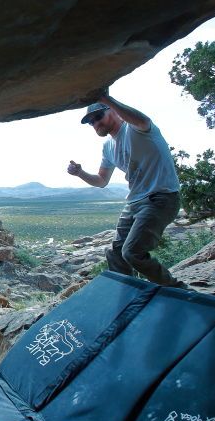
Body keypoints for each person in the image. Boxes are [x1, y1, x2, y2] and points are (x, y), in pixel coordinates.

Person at [67, 93, 184, 287]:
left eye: (98, 116)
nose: (95, 123)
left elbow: (143, 120)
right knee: (115, 254)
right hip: (134, 202)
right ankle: (129, 295)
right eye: (91, 122)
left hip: (161, 198)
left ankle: (178, 291)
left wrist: (105, 99)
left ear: (112, 111)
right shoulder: (108, 147)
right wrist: (80, 173)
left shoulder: (137, 129)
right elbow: (101, 180)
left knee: (132, 252)